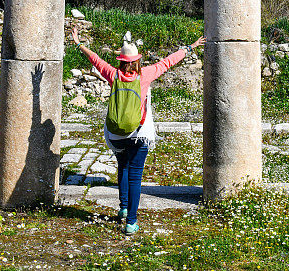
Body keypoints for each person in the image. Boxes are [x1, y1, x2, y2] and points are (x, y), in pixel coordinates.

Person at [71, 25, 204, 235]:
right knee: (135, 176)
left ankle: (123, 209)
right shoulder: (146, 74)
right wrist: (191, 46)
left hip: (116, 134)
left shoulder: (112, 74)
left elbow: (94, 59)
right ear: (137, 61)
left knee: (122, 167)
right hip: (139, 134)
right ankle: (131, 222)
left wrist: (78, 43)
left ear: (121, 62)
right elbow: (169, 61)